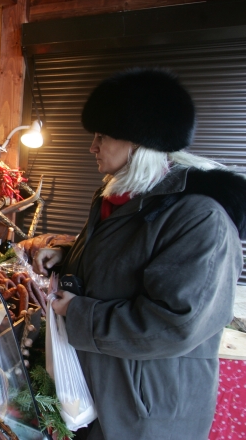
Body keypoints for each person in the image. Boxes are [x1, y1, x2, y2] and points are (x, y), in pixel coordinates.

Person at [33, 68, 245, 440]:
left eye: (102, 136)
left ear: (138, 143)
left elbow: (173, 324)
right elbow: (120, 264)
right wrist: (67, 255)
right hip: (96, 392)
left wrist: (79, 312)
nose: (92, 146)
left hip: (144, 413)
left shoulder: (199, 219)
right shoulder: (117, 198)